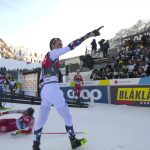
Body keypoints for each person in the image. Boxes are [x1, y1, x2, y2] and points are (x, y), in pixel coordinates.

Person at [33, 26, 104, 150]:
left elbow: (43, 75)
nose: (61, 42)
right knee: (68, 117)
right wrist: (88, 35)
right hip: (52, 89)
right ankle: (73, 141)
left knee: (42, 119)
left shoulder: (48, 57)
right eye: (57, 41)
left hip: (45, 90)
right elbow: (71, 46)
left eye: (61, 40)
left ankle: (35, 144)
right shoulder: (53, 53)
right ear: (52, 45)